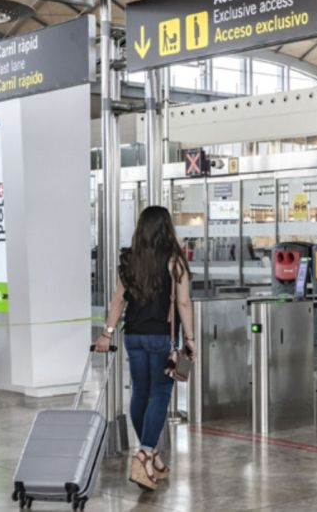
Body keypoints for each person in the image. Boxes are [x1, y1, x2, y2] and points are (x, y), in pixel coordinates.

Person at [95, 206, 195, 491]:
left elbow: (117, 300)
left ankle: (153, 457)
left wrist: (107, 334)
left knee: (140, 393)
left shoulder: (129, 259)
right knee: (160, 394)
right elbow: (184, 303)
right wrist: (190, 339)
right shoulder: (174, 261)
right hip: (161, 338)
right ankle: (144, 452)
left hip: (134, 336)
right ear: (166, 228)